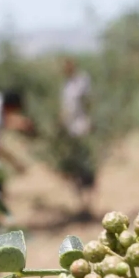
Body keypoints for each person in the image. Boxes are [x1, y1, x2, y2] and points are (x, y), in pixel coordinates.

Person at [57, 57, 97, 218]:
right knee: (74, 167)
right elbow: (65, 108)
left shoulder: (82, 81)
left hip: (82, 128)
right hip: (70, 130)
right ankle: (81, 203)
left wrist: (90, 121)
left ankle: (89, 202)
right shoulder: (66, 85)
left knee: (86, 165)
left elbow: (89, 102)